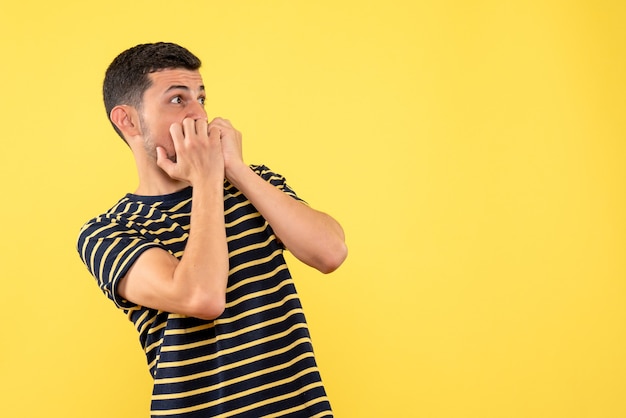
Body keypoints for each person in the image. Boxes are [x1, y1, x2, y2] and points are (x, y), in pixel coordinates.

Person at [76, 42, 347, 417]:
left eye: (201, 97)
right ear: (128, 120)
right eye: (177, 100)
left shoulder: (254, 185)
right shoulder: (108, 232)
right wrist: (206, 178)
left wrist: (235, 170)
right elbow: (202, 298)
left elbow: (330, 252)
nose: (200, 113)